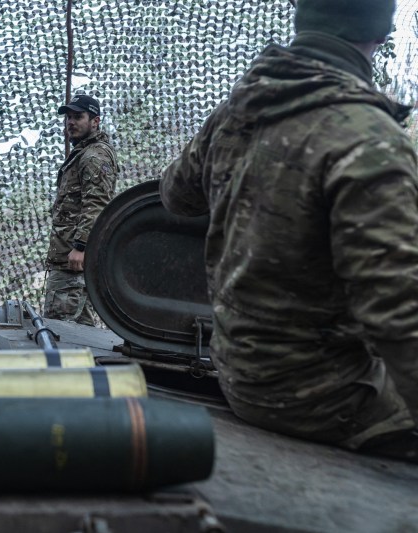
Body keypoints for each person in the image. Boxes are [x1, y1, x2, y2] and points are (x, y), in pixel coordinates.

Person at [160, 0, 418, 462]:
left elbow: (176, 196)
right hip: (327, 397)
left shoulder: (239, 111)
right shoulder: (367, 139)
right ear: (379, 36)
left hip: (240, 374)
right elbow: (400, 314)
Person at [43, 94, 118, 326]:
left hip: (72, 262)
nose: (70, 123)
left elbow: (97, 203)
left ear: (95, 121)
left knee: (59, 331)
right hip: (70, 261)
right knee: (82, 334)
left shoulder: (94, 155)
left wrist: (81, 247)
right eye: (68, 118)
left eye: (78, 117)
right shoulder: (82, 154)